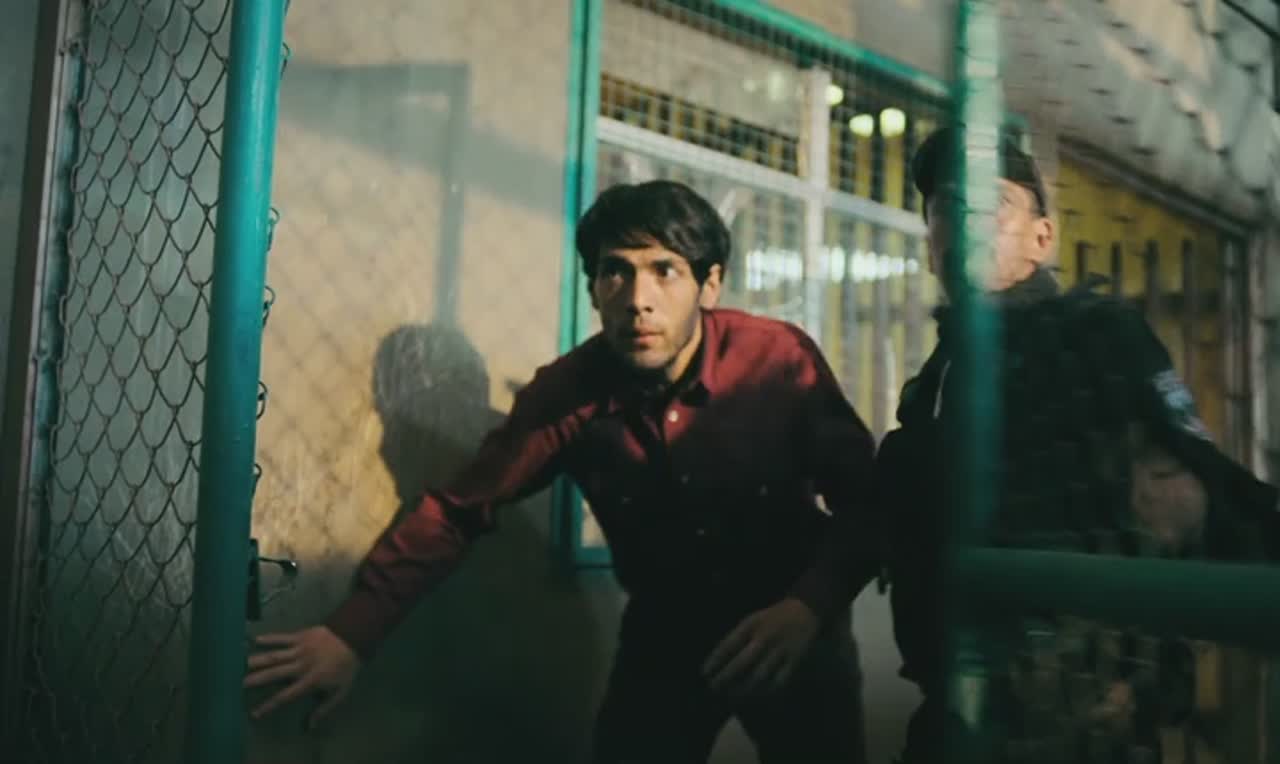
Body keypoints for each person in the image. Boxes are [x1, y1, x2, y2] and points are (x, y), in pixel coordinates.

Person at [244, 180, 879, 763]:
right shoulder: (569, 391)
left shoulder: (774, 359)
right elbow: (458, 510)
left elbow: (868, 501)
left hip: (792, 625)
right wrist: (351, 634)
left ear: (709, 285)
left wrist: (809, 606)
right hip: (667, 636)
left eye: (665, 271)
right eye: (615, 271)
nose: (638, 300)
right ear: (594, 288)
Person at [878, 127, 1280, 762]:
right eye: (947, 206)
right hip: (957, 708)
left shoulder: (1095, 336)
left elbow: (1198, 486)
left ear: (1043, 238)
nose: (966, 220)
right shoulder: (940, 374)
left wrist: (1142, 681)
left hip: (1081, 713)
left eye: (992, 204)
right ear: (931, 246)